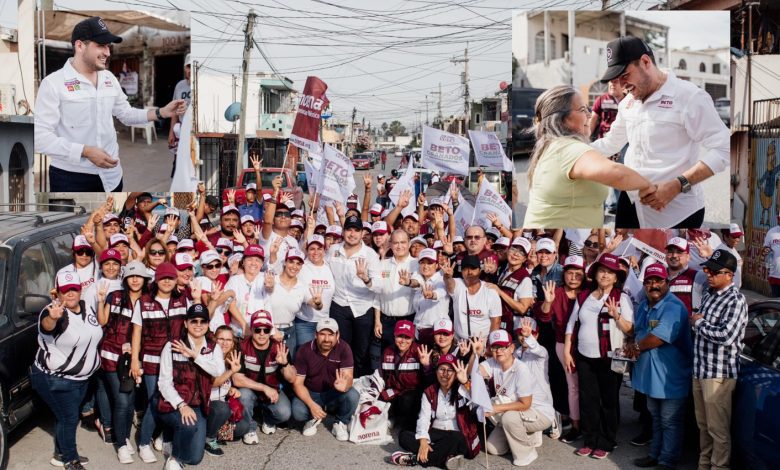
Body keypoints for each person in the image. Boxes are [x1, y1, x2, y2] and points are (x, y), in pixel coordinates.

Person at [591, 36, 730, 228]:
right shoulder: (627, 104)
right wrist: (572, 150)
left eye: (625, 76)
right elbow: (610, 143)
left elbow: (723, 149)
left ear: (645, 62)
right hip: (630, 205)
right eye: (617, 80)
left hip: (676, 214)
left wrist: (677, 185)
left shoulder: (689, 97)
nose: (622, 86)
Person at [35, 16, 186, 192]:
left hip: (112, 177)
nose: (107, 52)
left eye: (108, 46)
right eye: (100, 45)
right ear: (79, 46)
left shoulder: (108, 78)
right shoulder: (54, 83)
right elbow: (40, 137)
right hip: (71, 178)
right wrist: (85, 151)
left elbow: (126, 114)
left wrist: (161, 112)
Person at [523, 84, 654, 228]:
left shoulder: (554, 145)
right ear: (562, 119)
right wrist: (651, 187)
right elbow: (619, 174)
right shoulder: (569, 149)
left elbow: (610, 144)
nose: (589, 114)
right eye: (582, 110)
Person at [563, 253, 634, 459]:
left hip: (610, 357)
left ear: (616, 278)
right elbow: (571, 323)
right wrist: (568, 350)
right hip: (584, 356)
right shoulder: (584, 295)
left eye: (610, 273)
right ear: (595, 274)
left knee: (608, 401)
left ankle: (607, 441)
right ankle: (590, 439)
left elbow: (630, 330)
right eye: (602, 271)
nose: (605, 275)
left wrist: (617, 315)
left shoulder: (622, 298)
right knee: (588, 400)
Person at [31, 272, 103, 470]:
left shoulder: (87, 307)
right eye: (65, 290)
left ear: (80, 290)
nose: (70, 294)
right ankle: (70, 460)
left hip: (81, 379)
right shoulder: (52, 311)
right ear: (58, 293)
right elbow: (47, 326)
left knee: (64, 416)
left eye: (74, 289)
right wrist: (52, 318)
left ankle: (60, 453)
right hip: (55, 379)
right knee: (69, 418)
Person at [631, 263, 693, 470]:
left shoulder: (674, 307)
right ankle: (654, 454)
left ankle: (667, 461)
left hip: (671, 377)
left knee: (670, 421)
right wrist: (629, 346)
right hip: (651, 376)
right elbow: (638, 331)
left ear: (667, 282)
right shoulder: (643, 305)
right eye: (648, 282)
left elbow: (657, 338)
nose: (653, 285)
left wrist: (635, 347)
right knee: (656, 419)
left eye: (658, 281)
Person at [690, 249, 748, 470]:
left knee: (718, 431)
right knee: (703, 427)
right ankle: (703, 465)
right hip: (700, 370)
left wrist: (699, 323)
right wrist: (700, 323)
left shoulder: (736, 300)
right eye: (707, 270)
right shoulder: (708, 295)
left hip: (719, 375)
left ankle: (719, 467)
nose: (709, 275)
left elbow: (726, 335)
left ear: (729, 275)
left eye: (714, 271)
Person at [157, 304, 225, 470]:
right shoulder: (172, 346)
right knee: (188, 425)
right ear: (186, 323)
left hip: (198, 405)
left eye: (203, 321)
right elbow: (163, 382)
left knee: (194, 458)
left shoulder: (213, 347)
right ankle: (174, 457)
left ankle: (173, 438)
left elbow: (218, 370)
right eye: (193, 320)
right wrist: (181, 405)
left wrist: (195, 355)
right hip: (173, 404)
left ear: (208, 324)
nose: (198, 324)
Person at [96, 261, 150, 463]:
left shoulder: (148, 300)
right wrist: (101, 301)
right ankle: (121, 444)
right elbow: (102, 321)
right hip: (111, 355)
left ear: (145, 279)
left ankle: (124, 437)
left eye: (139, 276)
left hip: (134, 358)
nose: (135, 280)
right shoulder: (115, 296)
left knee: (129, 400)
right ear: (125, 278)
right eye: (131, 276)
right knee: (122, 401)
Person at [390, 354, 478, 468]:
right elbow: (424, 417)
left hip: (459, 436)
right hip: (437, 433)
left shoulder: (463, 390)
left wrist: (466, 382)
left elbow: (478, 403)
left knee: (456, 439)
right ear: (436, 372)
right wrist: (423, 441)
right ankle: (446, 459)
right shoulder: (430, 391)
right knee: (404, 436)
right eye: (441, 369)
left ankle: (415, 459)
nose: (445, 374)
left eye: (450, 370)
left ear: (456, 374)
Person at [480, 329, 549, 467]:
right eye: (494, 347)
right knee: (493, 448)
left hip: (539, 413)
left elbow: (525, 404)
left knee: (508, 418)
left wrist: (495, 408)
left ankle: (527, 453)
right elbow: (474, 374)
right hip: (514, 413)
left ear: (511, 348)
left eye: (503, 347)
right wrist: (475, 355)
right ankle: (525, 436)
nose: (499, 351)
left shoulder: (521, 369)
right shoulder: (494, 362)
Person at [326, 215, 380, 377]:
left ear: (362, 233)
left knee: (361, 352)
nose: (352, 234)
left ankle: (358, 387)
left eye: (357, 230)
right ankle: (342, 385)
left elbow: (378, 286)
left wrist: (365, 278)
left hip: (362, 308)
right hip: (339, 306)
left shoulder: (370, 254)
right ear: (343, 232)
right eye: (349, 229)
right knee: (341, 349)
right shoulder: (334, 250)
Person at [232, 311, 296, 443]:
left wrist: (284, 364)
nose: (262, 333)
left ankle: (267, 418)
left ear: (271, 330)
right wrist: (264, 388)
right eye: (258, 329)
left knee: (284, 413)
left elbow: (291, 379)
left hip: (271, 392)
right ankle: (249, 428)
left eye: (266, 330)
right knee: (243, 395)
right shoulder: (241, 346)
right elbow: (237, 379)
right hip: (250, 390)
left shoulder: (280, 347)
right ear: (252, 329)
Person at [540, 255, 585, 444]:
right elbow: (543, 316)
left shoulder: (589, 293)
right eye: (569, 273)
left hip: (587, 344)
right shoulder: (556, 292)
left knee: (589, 386)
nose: (573, 277)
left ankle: (591, 422)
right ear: (563, 274)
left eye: (578, 274)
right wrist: (548, 301)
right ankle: (576, 425)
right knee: (572, 385)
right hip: (562, 344)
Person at [291, 318, 359, 440]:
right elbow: (298, 383)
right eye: (322, 334)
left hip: (333, 392)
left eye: (331, 334)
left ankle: (340, 422)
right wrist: (311, 404)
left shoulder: (344, 348)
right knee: (298, 412)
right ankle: (312, 418)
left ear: (337, 335)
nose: (326, 339)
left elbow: (348, 376)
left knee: (352, 394)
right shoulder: (304, 350)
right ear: (315, 334)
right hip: (311, 392)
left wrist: (345, 385)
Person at [442, 254, 502, 341]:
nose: (469, 272)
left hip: (483, 342)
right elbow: (450, 283)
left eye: (473, 268)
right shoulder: (458, 284)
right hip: (460, 341)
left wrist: (490, 344)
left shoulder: (490, 291)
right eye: (465, 269)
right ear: (461, 271)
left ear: (480, 270)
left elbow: (496, 321)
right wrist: (447, 276)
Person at [203, 326, 242, 457]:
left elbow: (224, 383)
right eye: (221, 339)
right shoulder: (208, 357)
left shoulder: (231, 358)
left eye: (228, 340)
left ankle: (214, 432)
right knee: (222, 409)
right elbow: (213, 382)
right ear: (214, 339)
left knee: (244, 427)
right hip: (206, 405)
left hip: (219, 404)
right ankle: (208, 438)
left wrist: (231, 389)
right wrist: (231, 371)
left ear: (233, 342)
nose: (225, 343)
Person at [589, 80, 627, 215]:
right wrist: (587, 136)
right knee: (603, 172)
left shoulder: (628, 101)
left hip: (623, 143)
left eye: (616, 82)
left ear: (623, 85)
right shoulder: (602, 99)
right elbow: (593, 118)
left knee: (618, 171)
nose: (612, 84)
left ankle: (614, 203)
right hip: (604, 141)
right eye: (610, 82)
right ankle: (604, 204)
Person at [379, 320, 424, 431]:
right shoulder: (387, 351)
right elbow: (380, 375)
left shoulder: (419, 351)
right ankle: (393, 417)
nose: (403, 341)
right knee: (381, 398)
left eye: (407, 337)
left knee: (407, 400)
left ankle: (408, 423)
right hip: (393, 390)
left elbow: (426, 381)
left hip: (411, 392)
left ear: (413, 338)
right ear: (394, 335)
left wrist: (426, 365)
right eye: (400, 336)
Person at [168, 53, 193, 177]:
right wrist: (171, 133)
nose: (190, 70)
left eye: (193, 67)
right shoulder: (180, 86)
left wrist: (189, 109)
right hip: (180, 130)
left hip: (194, 132)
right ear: (185, 68)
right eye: (188, 67)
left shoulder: (201, 86)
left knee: (191, 165)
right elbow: (174, 111)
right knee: (177, 166)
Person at [763, 214, 780, 297]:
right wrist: (766, 251)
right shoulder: (771, 232)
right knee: (776, 304)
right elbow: (765, 248)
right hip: (775, 275)